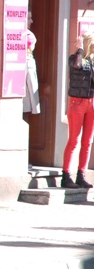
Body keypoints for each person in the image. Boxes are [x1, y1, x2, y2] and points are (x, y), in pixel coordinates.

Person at [61, 33, 94, 189]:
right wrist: (80, 50)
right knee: (74, 139)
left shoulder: (93, 62)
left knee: (87, 142)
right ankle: (66, 175)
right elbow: (77, 66)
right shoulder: (75, 59)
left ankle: (81, 174)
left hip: (91, 103)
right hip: (77, 103)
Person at [23, 11, 41, 115]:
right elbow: (32, 83)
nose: (31, 21)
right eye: (29, 18)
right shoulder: (28, 60)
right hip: (25, 106)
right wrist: (36, 108)